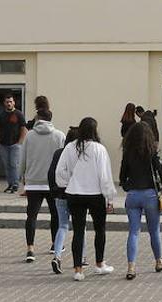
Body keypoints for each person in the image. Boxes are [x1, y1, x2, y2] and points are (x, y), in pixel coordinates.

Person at [55, 117, 118, 281]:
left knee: (78, 231)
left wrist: (68, 182)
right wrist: (109, 197)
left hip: (74, 193)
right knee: (100, 229)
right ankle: (99, 263)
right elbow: (105, 176)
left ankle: (78, 269)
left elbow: (60, 171)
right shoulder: (99, 149)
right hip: (95, 194)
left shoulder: (70, 147)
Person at [119, 120, 162, 280]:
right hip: (150, 195)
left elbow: (122, 177)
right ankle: (158, 261)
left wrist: (128, 187)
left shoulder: (127, 153)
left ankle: (131, 267)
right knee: (154, 231)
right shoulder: (151, 152)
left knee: (133, 232)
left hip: (133, 196)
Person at [20, 109, 67, 262]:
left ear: (38, 118)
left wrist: (23, 176)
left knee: (31, 216)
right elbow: (64, 159)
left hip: (33, 182)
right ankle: (54, 243)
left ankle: (30, 249)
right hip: (53, 183)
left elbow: (23, 158)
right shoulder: (59, 135)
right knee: (55, 214)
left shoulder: (29, 136)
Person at [49, 127, 80, 274]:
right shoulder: (78, 154)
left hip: (59, 194)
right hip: (76, 194)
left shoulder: (57, 153)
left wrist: (53, 190)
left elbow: (51, 173)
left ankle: (57, 255)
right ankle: (83, 257)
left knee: (62, 225)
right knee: (81, 227)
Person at [0, 95, 29, 193]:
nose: (9, 103)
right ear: (4, 103)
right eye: (7, 102)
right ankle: (10, 184)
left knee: (14, 164)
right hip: (3, 144)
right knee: (7, 165)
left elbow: (24, 128)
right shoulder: (0, 115)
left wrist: (20, 142)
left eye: (10, 101)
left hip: (15, 144)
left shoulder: (19, 114)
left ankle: (15, 184)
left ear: (14, 102)